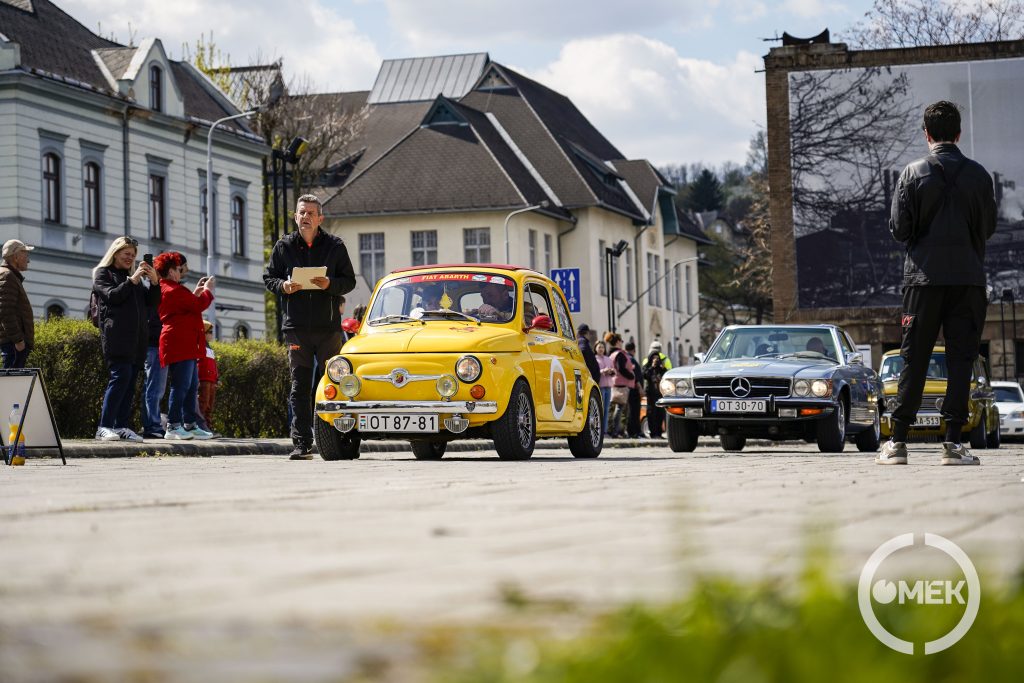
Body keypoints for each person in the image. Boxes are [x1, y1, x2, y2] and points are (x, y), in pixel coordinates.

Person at [878, 100, 997, 467]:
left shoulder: (911, 173)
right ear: (958, 133)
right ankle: (953, 445)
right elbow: (988, 229)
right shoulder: (980, 176)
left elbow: (900, 231)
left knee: (915, 359)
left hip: (922, 282)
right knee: (962, 360)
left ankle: (897, 443)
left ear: (926, 133)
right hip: (968, 281)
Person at [264, 194, 356, 460]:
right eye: (301, 213)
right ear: (295, 217)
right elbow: (269, 278)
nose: (305, 217)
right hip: (297, 329)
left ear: (320, 218)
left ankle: (337, 439)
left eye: (310, 213)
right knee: (299, 387)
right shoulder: (283, 246)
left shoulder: (335, 246)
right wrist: (283, 286)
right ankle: (302, 444)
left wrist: (330, 285)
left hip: (328, 329)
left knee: (333, 384)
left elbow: (348, 281)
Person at [92, 236, 160, 442]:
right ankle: (104, 426)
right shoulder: (103, 273)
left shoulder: (134, 279)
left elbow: (152, 302)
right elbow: (112, 296)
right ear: (115, 254)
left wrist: (155, 282)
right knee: (119, 378)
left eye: (133, 255)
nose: (130, 258)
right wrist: (133, 280)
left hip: (137, 341)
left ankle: (121, 425)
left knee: (130, 383)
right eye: (126, 254)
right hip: (117, 338)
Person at [155, 251, 215, 441]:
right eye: (179, 269)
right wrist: (208, 291)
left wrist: (196, 293)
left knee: (191, 385)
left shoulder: (171, 288)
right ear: (171, 271)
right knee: (181, 385)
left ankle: (189, 424)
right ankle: (173, 425)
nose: (181, 273)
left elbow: (188, 306)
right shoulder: (172, 289)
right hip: (180, 343)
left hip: (185, 343)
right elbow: (197, 306)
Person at [0, 239, 35, 369]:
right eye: (26, 255)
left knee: (12, 385)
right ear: (16, 257)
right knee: (10, 386)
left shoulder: (9, 275)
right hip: (13, 345)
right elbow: (5, 311)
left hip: (13, 344)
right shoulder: (7, 276)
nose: (28, 260)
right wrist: (18, 340)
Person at [140, 292, 167, 438]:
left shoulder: (155, 290)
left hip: (157, 344)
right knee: (154, 388)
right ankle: (153, 426)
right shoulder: (154, 290)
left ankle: (152, 425)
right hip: (155, 344)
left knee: (154, 388)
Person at [606, 332, 635, 438]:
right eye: (621, 341)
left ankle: (615, 430)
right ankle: (616, 431)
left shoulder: (612, 354)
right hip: (622, 383)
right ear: (618, 342)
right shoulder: (619, 354)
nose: (622, 343)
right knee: (620, 409)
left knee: (615, 408)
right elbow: (621, 368)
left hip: (616, 382)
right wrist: (631, 375)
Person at [197, 319, 218, 433]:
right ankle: (201, 427)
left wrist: (217, 378)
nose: (211, 335)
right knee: (203, 403)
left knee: (210, 405)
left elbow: (214, 365)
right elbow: (198, 364)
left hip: (212, 381)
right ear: (203, 333)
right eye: (209, 332)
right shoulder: (199, 346)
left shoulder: (210, 348)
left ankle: (208, 427)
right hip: (204, 379)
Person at [644, 349, 668, 439]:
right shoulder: (648, 367)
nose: (656, 360)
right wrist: (652, 367)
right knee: (651, 414)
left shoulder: (661, 368)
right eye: (654, 358)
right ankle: (653, 433)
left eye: (657, 358)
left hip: (660, 395)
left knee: (660, 414)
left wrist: (663, 367)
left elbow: (666, 374)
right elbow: (645, 375)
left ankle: (659, 433)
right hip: (651, 395)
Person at [594, 340, 614, 435]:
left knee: (606, 409)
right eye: (599, 347)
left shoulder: (608, 359)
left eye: (602, 347)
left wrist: (611, 371)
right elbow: (594, 371)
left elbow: (614, 371)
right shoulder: (595, 359)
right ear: (596, 348)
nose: (601, 349)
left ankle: (605, 430)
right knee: (600, 409)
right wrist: (603, 371)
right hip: (600, 386)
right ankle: (599, 429)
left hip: (608, 386)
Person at [624, 341, 643, 438]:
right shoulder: (631, 359)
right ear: (634, 350)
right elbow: (635, 375)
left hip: (631, 388)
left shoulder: (627, 358)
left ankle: (634, 431)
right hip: (633, 389)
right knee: (634, 411)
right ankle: (634, 432)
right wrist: (640, 387)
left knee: (633, 411)